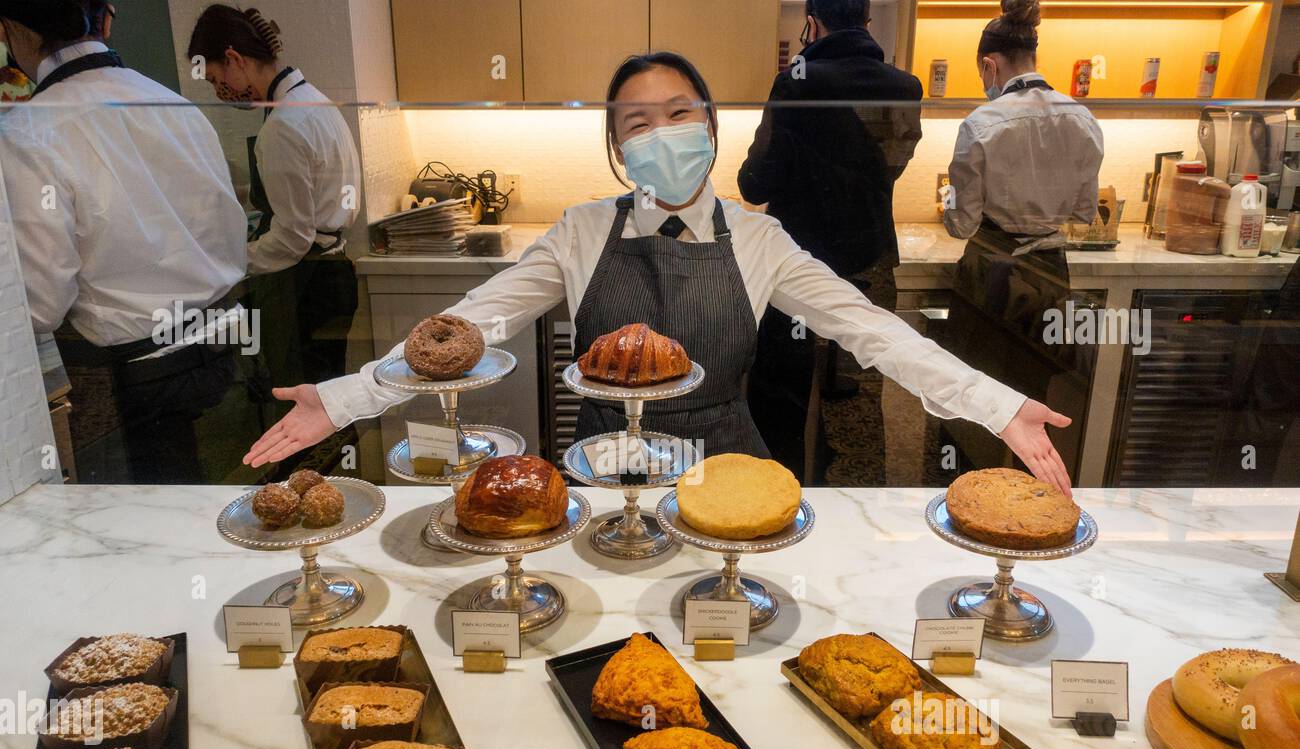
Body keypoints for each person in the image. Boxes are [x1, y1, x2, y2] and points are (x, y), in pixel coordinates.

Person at [244, 51, 1073, 495]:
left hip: (727, 476)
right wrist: (349, 395)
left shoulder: (760, 238)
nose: (661, 133)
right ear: (615, 146)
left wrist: (997, 408)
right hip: (600, 475)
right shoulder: (578, 231)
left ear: (711, 125)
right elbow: (470, 324)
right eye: (636, 122)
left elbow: (875, 331)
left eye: (679, 113)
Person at [0, 0, 248, 483]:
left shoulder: (27, 131)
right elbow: (227, 226)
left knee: (153, 536)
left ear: (10, 31)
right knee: (221, 504)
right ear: (107, 19)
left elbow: (42, 304)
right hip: (223, 343)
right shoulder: (171, 101)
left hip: (136, 380)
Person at [739, 0, 923, 482]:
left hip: (797, 270)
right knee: (858, 399)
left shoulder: (797, 81)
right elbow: (889, 167)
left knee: (784, 395)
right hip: (869, 265)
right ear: (866, 22)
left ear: (812, 23)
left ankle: (780, 503)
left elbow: (755, 183)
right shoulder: (906, 87)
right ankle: (854, 514)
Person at [941, 0, 1103, 479]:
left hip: (992, 269)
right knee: (1035, 394)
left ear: (990, 64)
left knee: (974, 396)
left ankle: (969, 490)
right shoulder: (1083, 118)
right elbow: (1084, 212)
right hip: (1050, 273)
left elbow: (961, 223)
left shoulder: (982, 124)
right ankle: (1029, 497)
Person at [188, 4, 361, 387]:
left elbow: (293, 238)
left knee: (297, 400)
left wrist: (233, 260)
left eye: (216, 78)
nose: (220, 91)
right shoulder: (314, 101)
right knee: (329, 396)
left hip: (303, 286)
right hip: (333, 276)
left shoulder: (282, 126)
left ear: (234, 58)